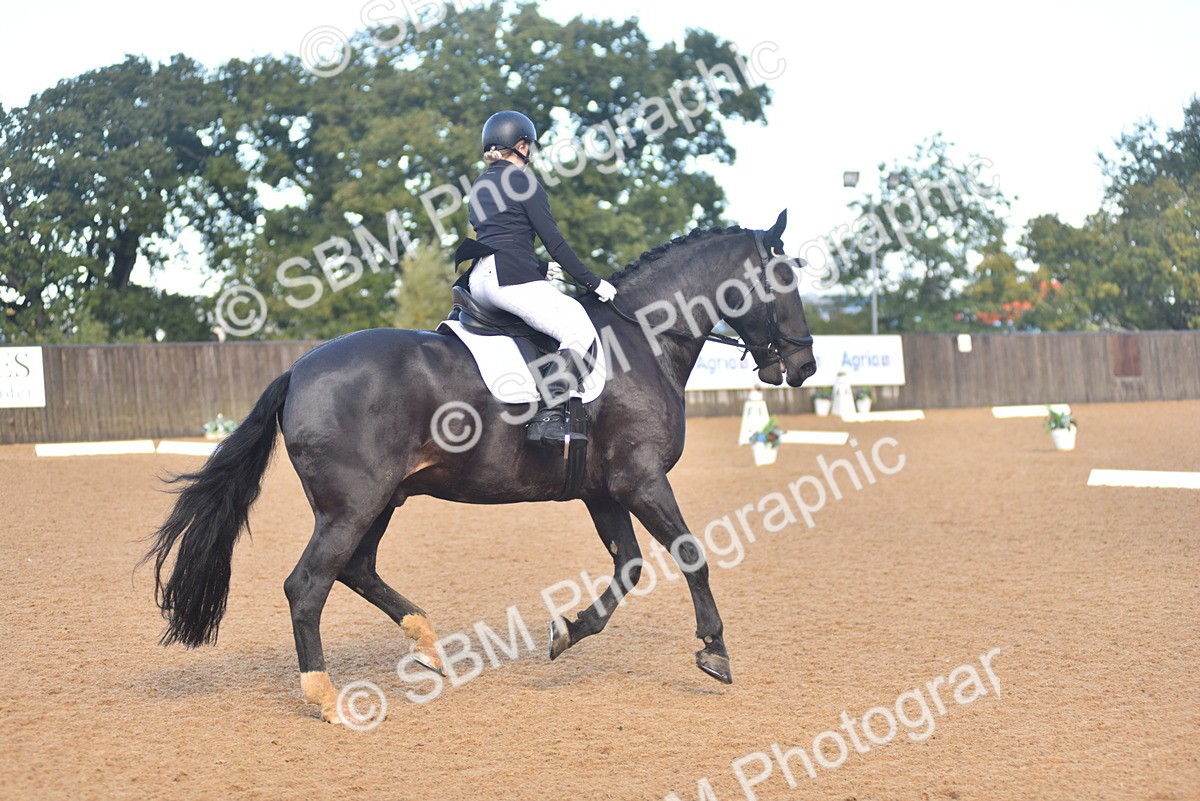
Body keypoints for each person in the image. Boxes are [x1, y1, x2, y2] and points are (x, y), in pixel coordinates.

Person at [457, 110, 617, 447]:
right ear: (520, 145)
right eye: (529, 147)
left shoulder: (480, 185)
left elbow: (501, 237)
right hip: (510, 281)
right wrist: (593, 282)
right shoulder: (524, 182)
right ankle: (549, 416)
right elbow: (555, 242)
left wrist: (541, 269)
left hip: (479, 281)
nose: (531, 154)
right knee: (578, 330)